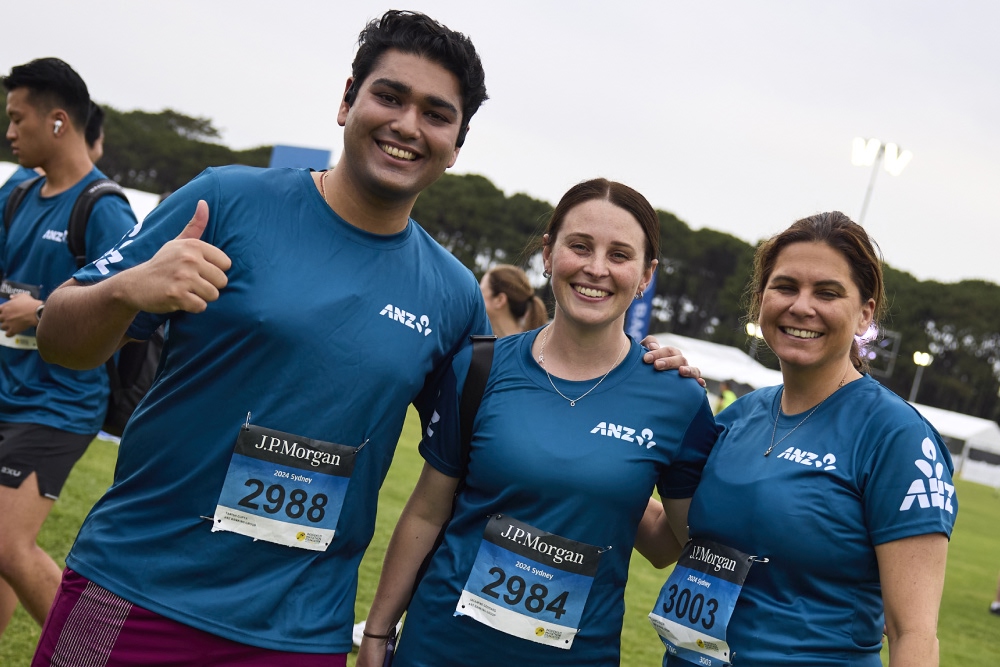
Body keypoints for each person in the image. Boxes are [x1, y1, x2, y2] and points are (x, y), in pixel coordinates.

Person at [32, 14, 696, 665]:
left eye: (436, 114)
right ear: (348, 99)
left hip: (299, 629)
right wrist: (125, 289)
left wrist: (640, 390)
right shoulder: (225, 201)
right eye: (390, 96)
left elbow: (493, 453)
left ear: (456, 144)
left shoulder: (452, 294)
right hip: (131, 585)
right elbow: (63, 342)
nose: (408, 125)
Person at [357, 178, 719, 667]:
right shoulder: (478, 367)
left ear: (646, 275)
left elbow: (674, 543)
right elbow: (426, 510)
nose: (595, 268)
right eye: (579, 246)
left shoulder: (677, 398)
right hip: (439, 648)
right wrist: (378, 632)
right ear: (548, 254)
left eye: (619, 254)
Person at [655, 211, 956, 666]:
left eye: (828, 292)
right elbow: (669, 542)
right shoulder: (737, 417)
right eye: (786, 286)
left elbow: (913, 634)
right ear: (761, 299)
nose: (801, 306)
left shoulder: (898, 436)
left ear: (864, 315)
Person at [0, 59, 137, 640]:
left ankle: (91, 652)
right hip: (7, 391)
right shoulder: (16, 191)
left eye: (16, 118)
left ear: (58, 122)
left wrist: (44, 311)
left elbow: (129, 308)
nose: (8, 132)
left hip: (59, 403)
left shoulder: (105, 208)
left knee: (7, 544)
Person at [480, 263, 548, 336]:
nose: (477, 297)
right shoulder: (531, 344)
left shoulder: (490, 345)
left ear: (500, 300)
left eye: (481, 291)